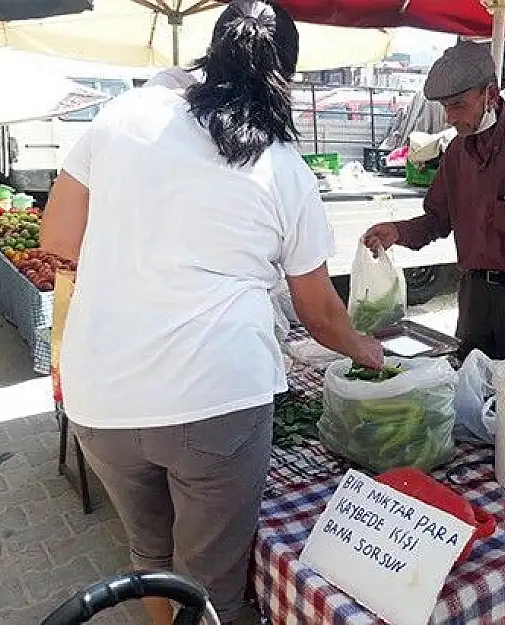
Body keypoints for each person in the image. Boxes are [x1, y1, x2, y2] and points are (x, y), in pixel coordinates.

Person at [38, 1, 384, 623]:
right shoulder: (282, 165)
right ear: (285, 75)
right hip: (216, 398)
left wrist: (138, 258)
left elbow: (58, 240)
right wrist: (366, 349)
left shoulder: (121, 115)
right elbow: (320, 314)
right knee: (212, 585)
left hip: (102, 397)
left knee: (150, 555)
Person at [363, 41, 505, 360]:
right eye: (445, 107)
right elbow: (437, 220)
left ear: (490, 94)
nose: (450, 118)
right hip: (475, 299)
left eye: (458, 105)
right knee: (469, 391)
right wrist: (399, 231)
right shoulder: (457, 152)